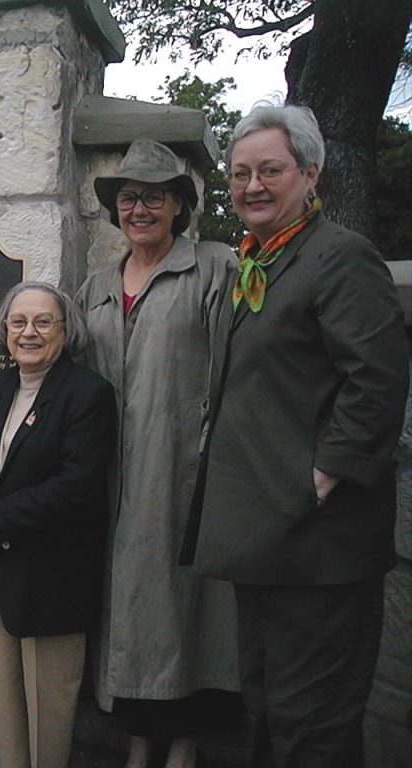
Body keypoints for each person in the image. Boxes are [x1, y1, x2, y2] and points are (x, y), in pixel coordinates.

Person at [181, 103, 408, 767]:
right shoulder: (262, 263)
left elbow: (377, 384)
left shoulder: (341, 260)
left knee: (314, 727)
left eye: (270, 170)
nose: (251, 185)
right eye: (240, 173)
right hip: (265, 542)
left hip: (320, 549)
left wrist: (316, 481)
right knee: (269, 709)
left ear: (311, 174)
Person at [77, 140, 242, 768]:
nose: (139, 208)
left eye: (154, 195)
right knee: (127, 617)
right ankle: (141, 744)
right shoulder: (95, 286)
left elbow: (232, 374)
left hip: (181, 474)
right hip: (113, 481)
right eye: (128, 197)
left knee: (186, 614)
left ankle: (187, 746)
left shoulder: (212, 269)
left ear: (179, 204)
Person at [0, 281, 116, 768]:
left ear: (65, 332)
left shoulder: (88, 394)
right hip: (3, 580)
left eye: (43, 322)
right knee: (9, 712)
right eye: (18, 321)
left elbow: (77, 486)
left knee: (50, 719)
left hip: (54, 583)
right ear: (4, 329)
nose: (29, 332)